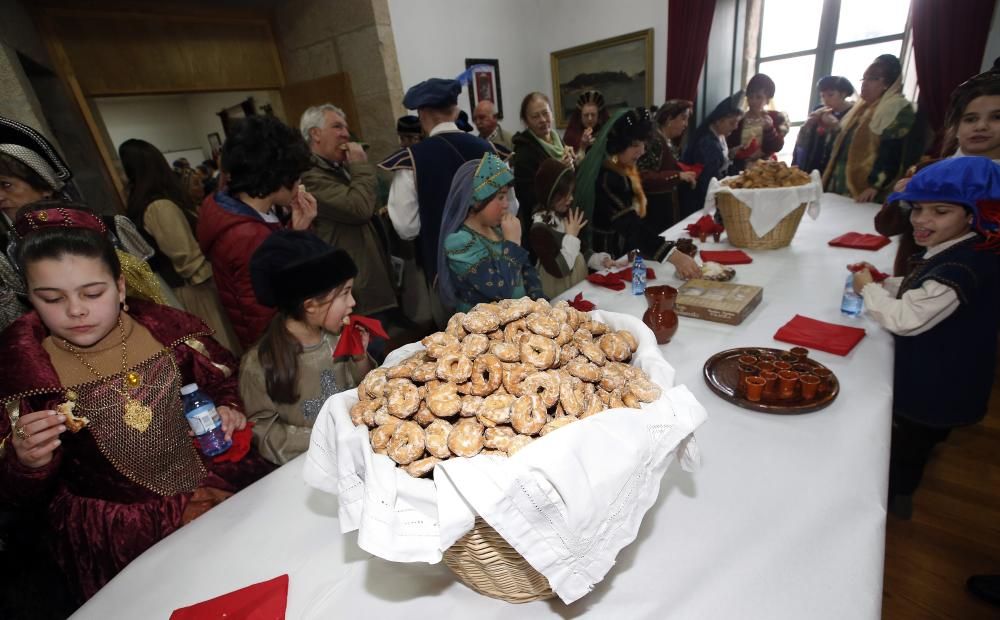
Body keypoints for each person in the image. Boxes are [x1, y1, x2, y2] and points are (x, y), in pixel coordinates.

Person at [0, 202, 273, 600]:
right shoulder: (26, 379)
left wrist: (228, 409)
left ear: (121, 287)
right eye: (52, 299)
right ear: (30, 300)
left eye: (93, 293)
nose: (76, 311)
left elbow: (221, 386)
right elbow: (13, 497)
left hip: (219, 492)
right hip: (120, 535)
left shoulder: (174, 337)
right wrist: (25, 464)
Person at [851, 157, 1000, 519]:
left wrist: (870, 289)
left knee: (909, 444)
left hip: (937, 383)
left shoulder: (962, 266)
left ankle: (893, 500)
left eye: (940, 211)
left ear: (973, 215)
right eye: (917, 209)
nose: (921, 220)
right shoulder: (962, 249)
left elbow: (904, 318)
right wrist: (886, 282)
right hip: (944, 372)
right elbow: (924, 287)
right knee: (914, 441)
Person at [240, 230, 373, 465]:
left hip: (359, 451)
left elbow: (363, 389)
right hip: (310, 465)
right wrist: (329, 438)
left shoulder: (339, 336)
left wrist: (360, 358)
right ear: (311, 305)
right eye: (345, 293)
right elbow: (264, 431)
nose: (353, 302)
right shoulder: (258, 364)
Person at [197, 115, 317, 349]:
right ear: (277, 175)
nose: (299, 181)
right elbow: (264, 314)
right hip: (285, 349)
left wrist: (297, 231)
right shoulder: (246, 236)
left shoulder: (243, 211)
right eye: (295, 174)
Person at [117, 139, 240, 354]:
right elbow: (188, 260)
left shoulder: (146, 203)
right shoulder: (159, 206)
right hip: (194, 292)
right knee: (221, 353)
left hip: (188, 289)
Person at [875, 66, 1000, 275]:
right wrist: (902, 200)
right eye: (970, 119)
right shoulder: (927, 171)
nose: (981, 126)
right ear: (955, 127)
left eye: (996, 117)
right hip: (916, 285)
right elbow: (886, 227)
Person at [381, 78, 503, 289]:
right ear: (455, 111)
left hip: (446, 272)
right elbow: (510, 207)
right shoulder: (490, 150)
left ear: (422, 114)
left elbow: (406, 227)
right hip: (495, 262)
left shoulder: (412, 160)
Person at [576, 108, 701, 279]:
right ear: (618, 144)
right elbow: (630, 225)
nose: (642, 151)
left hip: (620, 254)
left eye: (643, 144)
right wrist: (673, 255)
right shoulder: (607, 177)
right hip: (604, 259)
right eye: (635, 145)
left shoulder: (620, 168)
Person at [299, 104, 397, 318]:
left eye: (345, 127)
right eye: (337, 127)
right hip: (350, 289)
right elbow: (359, 208)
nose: (346, 134)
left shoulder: (337, 167)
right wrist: (360, 166)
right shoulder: (310, 177)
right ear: (315, 134)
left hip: (364, 277)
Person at [439, 153, 544, 312]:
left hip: (518, 319)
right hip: (485, 329)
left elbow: (527, 271)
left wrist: (539, 304)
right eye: (500, 197)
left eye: (506, 196)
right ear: (477, 200)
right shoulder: (459, 242)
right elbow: (500, 291)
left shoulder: (499, 230)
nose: (506, 205)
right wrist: (513, 243)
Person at [823, 54, 915, 203]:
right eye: (864, 79)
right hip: (840, 181)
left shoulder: (897, 108)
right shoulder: (861, 108)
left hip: (867, 188)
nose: (864, 84)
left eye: (872, 79)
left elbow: (892, 151)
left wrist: (875, 185)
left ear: (888, 83)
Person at [529, 158, 613, 298]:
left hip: (577, 280)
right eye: (565, 195)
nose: (571, 199)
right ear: (550, 194)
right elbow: (561, 270)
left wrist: (599, 260)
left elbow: (581, 250)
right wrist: (571, 236)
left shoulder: (565, 214)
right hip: (559, 288)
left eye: (571, 193)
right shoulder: (539, 229)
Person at [512, 92, 575, 247]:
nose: (542, 120)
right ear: (526, 121)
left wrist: (572, 166)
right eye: (535, 116)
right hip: (544, 227)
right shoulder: (524, 152)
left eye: (545, 113)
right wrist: (558, 174)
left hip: (567, 218)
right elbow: (527, 195)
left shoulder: (558, 141)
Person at [638, 100, 698, 232]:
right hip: (655, 210)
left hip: (666, 207)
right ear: (669, 119)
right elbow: (643, 176)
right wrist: (678, 175)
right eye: (683, 119)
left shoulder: (666, 140)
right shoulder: (655, 141)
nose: (686, 124)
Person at [793, 76, 855, 174]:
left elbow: (850, 144)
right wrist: (808, 125)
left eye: (830, 95)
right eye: (822, 96)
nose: (826, 100)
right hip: (815, 163)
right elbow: (804, 142)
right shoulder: (819, 111)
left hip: (837, 169)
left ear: (843, 94)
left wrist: (834, 126)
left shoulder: (853, 114)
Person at [728, 74, 789, 174]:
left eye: (759, 97)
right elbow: (730, 146)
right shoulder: (739, 120)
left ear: (768, 100)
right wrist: (737, 153)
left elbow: (777, 146)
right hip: (742, 169)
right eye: (751, 97)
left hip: (767, 169)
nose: (753, 101)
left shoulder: (775, 117)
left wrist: (769, 129)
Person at [562, 90, 609, 155]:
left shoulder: (607, 133)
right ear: (580, 116)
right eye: (586, 115)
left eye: (593, 115)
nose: (590, 118)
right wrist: (583, 146)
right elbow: (570, 163)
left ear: (598, 115)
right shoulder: (571, 136)